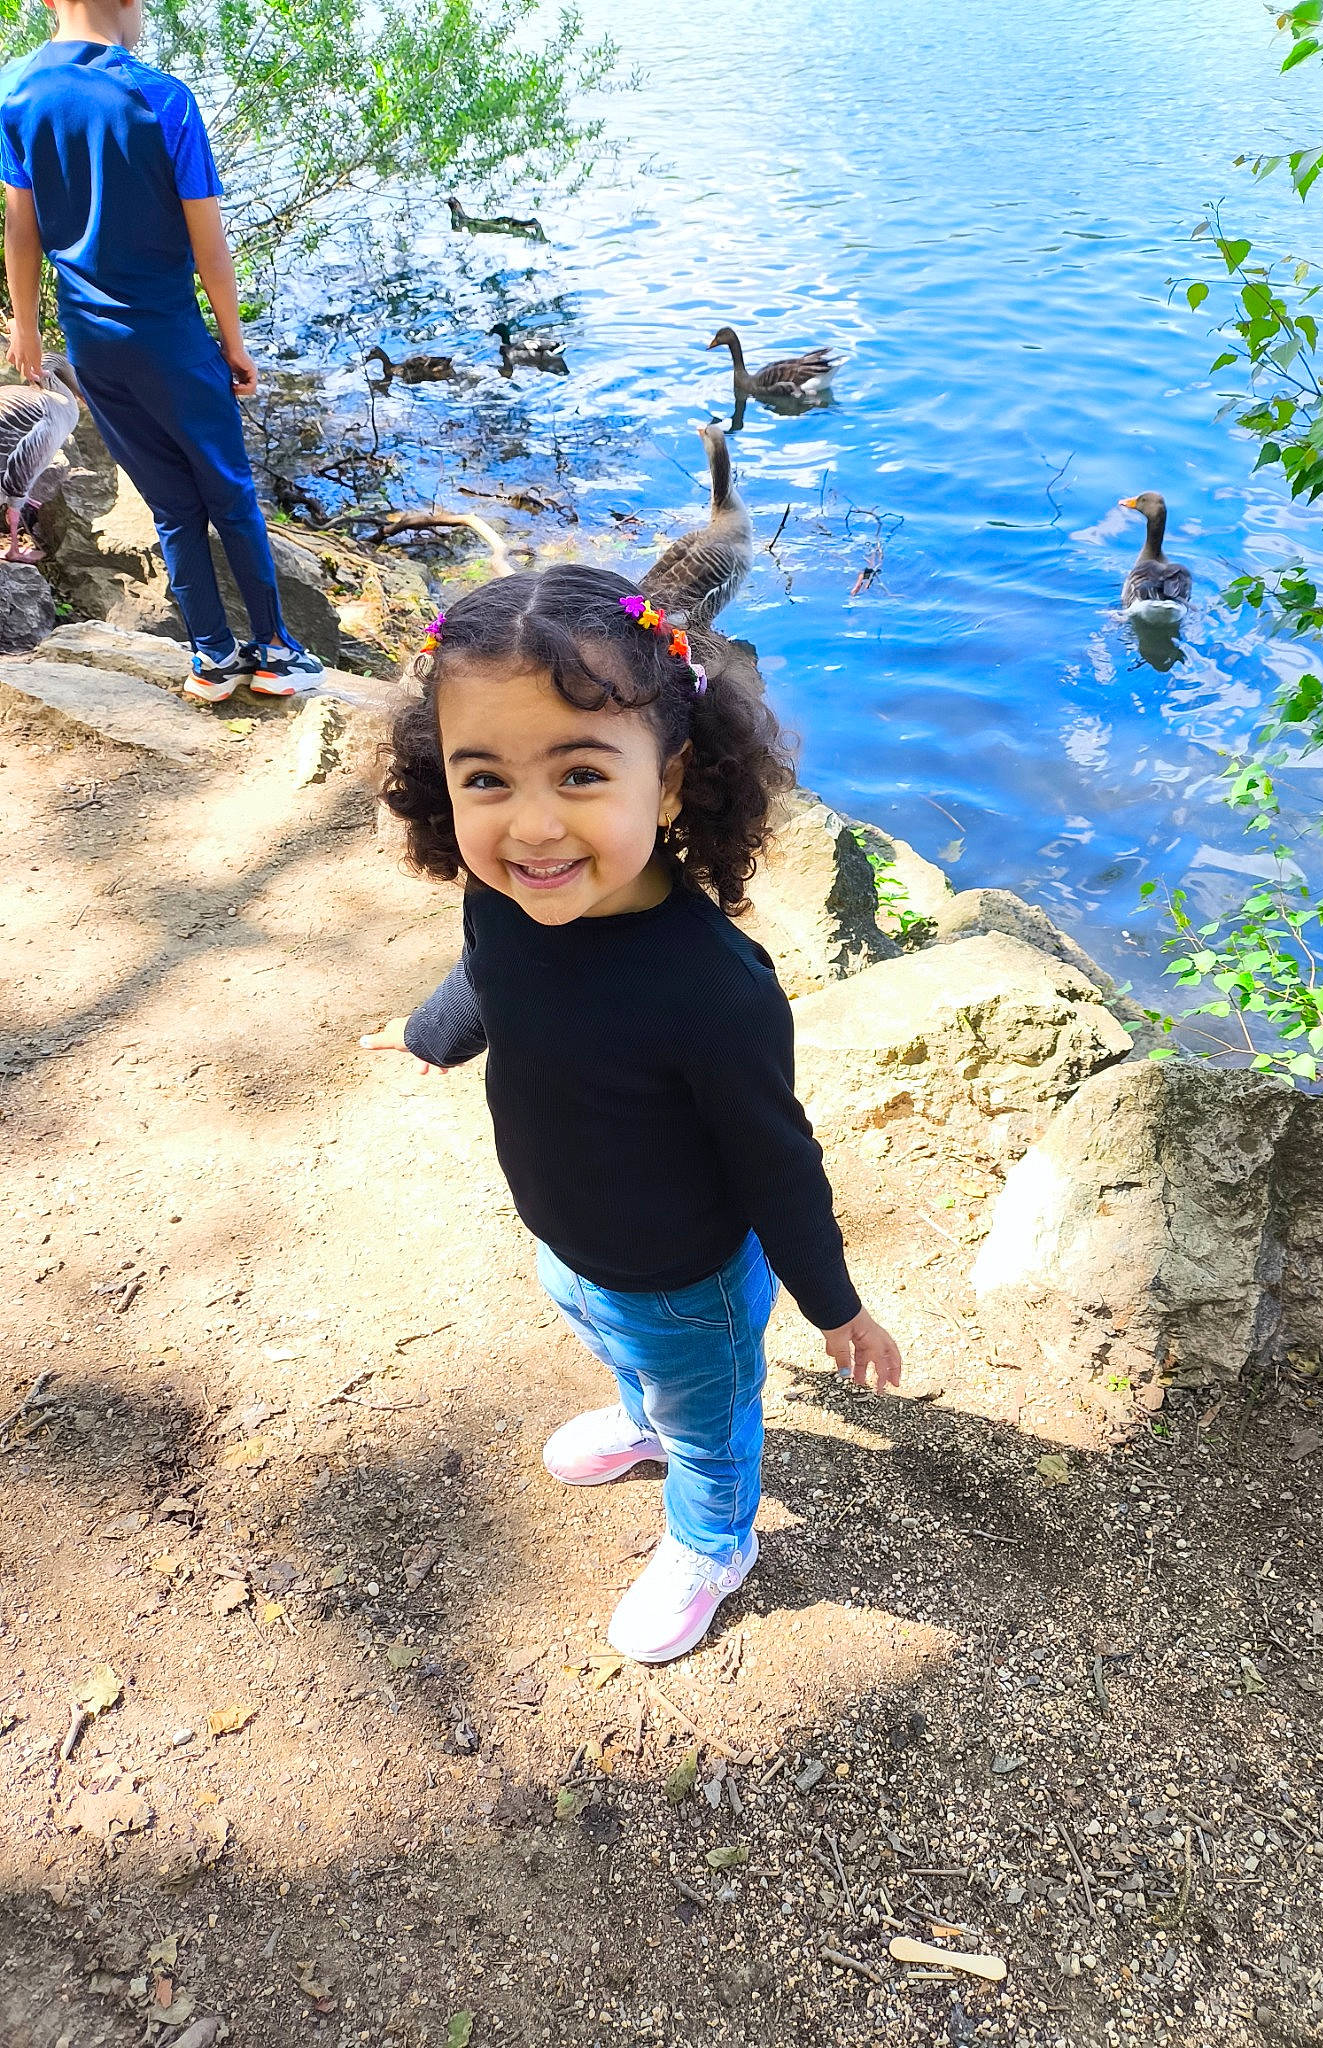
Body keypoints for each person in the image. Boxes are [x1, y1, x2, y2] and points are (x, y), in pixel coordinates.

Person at [362, 566, 903, 1664]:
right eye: (486, 778)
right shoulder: (507, 892)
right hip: (571, 1236)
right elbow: (489, 967)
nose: (532, 825)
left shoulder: (711, 988)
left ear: (668, 782)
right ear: (443, 779)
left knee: (712, 1425)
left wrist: (834, 1303)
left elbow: (775, 1160)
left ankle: (714, 1538)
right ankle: (644, 1414)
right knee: (600, 1325)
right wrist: (430, 1033)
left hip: (685, 1274)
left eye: (579, 771)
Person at [0, 0, 322, 702]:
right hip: (170, 335)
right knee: (229, 493)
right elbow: (208, 241)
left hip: (91, 341)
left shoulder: (14, 89)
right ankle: (272, 652)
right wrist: (233, 344)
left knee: (172, 507)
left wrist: (27, 328)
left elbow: (20, 227)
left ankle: (210, 657)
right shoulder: (159, 96)